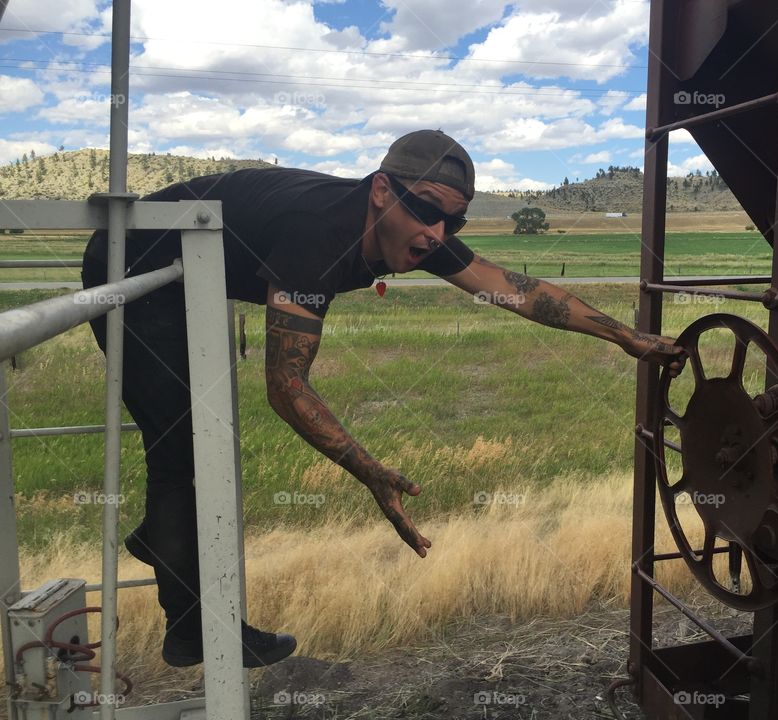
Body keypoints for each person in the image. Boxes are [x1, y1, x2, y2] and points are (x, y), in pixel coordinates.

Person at [81, 129, 684, 669]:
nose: (436, 235)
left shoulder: (417, 228)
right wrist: (368, 471)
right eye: (424, 211)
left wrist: (625, 337)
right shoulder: (318, 233)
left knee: (191, 449)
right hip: (132, 272)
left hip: (189, 268)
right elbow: (287, 387)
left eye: (454, 222)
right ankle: (191, 631)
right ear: (379, 192)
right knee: (185, 451)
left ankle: (162, 541)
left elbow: (512, 290)